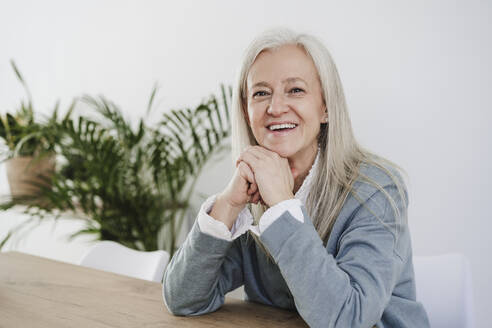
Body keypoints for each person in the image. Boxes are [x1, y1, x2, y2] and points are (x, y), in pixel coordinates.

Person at [162, 27, 430, 328]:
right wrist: (227, 205)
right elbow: (184, 299)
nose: (275, 108)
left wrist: (281, 207)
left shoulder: (375, 190)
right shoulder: (250, 190)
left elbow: (348, 320)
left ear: (325, 106)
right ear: (246, 110)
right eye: (261, 93)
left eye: (295, 90)